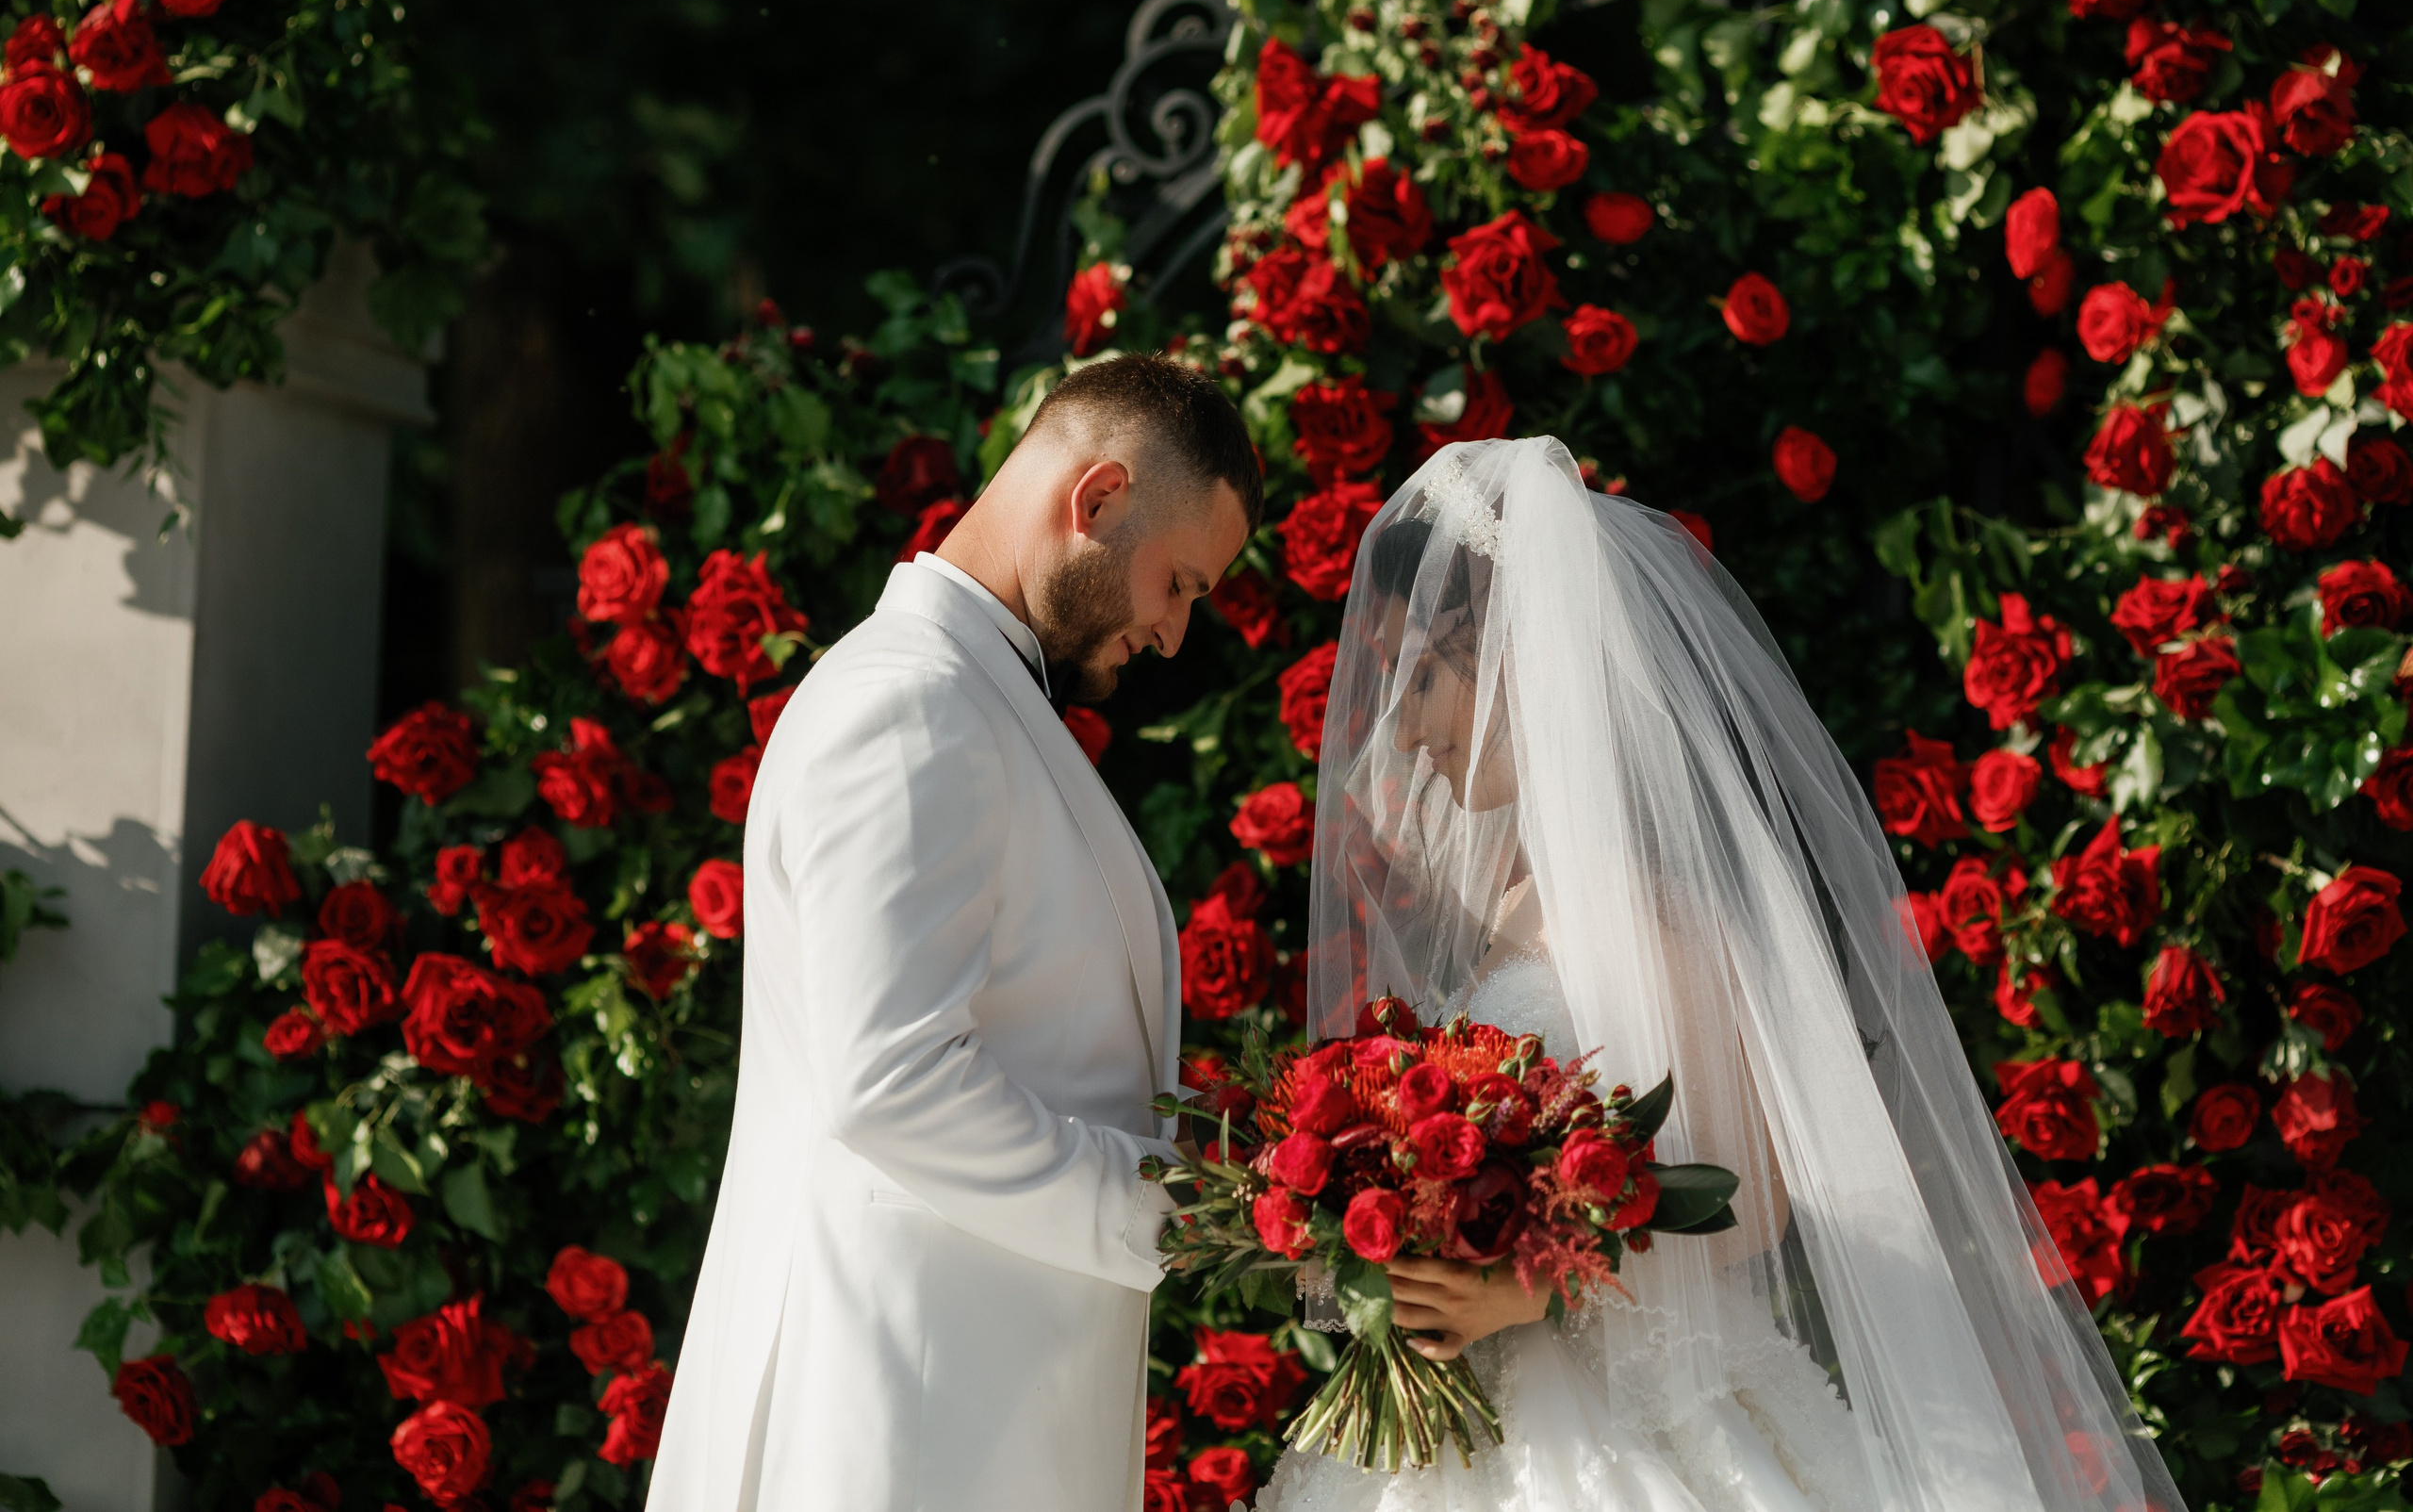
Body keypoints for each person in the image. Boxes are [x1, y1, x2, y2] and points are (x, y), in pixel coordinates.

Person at [1259, 437, 2187, 1512]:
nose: (1405, 733)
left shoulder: (1645, 911)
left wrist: (1527, 1287)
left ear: (1518, 656)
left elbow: (1754, 1202)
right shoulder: (1522, 902)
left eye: (1418, 678)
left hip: (1638, 1417)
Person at [647, 355, 1257, 1512]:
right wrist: (1173, 1211)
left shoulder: (975, 702)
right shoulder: (910, 704)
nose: (1175, 635)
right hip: (896, 1425)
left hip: (970, 1417)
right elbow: (889, 1081)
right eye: (1179, 583)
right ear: (1098, 500)